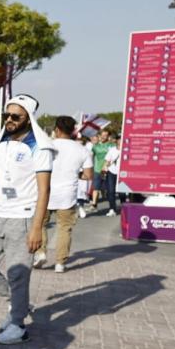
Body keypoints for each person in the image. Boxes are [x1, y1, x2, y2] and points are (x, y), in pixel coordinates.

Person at [0, 94, 52, 344]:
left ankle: (18, 325)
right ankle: (19, 304)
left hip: (22, 218)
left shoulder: (39, 146)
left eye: (16, 116)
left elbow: (44, 190)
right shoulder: (0, 142)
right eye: (7, 115)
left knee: (18, 274)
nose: (9, 120)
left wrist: (37, 228)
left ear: (28, 118)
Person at [38, 116, 93, 272]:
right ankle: (60, 263)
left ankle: (40, 252)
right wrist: (76, 174)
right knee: (64, 228)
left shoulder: (47, 146)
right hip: (67, 194)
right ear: (73, 131)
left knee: (40, 224)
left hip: (45, 191)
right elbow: (88, 175)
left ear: (56, 129)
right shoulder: (83, 150)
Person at [88, 130, 111, 213]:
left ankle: (112, 207)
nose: (104, 137)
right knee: (96, 188)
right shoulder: (95, 146)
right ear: (100, 136)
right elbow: (91, 156)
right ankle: (94, 204)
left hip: (109, 169)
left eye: (106, 135)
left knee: (110, 189)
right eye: (103, 135)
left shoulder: (111, 145)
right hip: (97, 169)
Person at [102, 134, 122, 217]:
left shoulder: (126, 149)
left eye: (122, 139)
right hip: (111, 172)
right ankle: (112, 209)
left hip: (122, 173)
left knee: (122, 193)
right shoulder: (112, 150)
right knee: (111, 191)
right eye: (119, 139)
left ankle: (124, 208)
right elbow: (107, 160)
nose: (120, 141)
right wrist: (104, 168)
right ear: (116, 141)